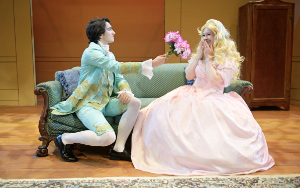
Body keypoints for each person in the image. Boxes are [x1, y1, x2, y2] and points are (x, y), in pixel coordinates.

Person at [131, 19, 275, 175]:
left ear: (218, 37)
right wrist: (199, 55)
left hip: (214, 97)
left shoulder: (227, 60)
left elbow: (214, 80)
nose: (205, 38)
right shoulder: (200, 56)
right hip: (193, 93)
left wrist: (209, 58)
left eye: (209, 35)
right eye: (204, 34)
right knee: (159, 114)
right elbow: (189, 74)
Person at [51, 17, 169, 162]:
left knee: (134, 102)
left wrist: (126, 91)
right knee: (108, 137)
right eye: (110, 29)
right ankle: (64, 139)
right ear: (100, 34)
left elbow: (119, 77)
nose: (114, 32)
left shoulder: (110, 54)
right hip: (88, 105)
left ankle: (118, 149)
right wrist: (150, 64)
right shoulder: (91, 53)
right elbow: (117, 67)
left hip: (105, 103)